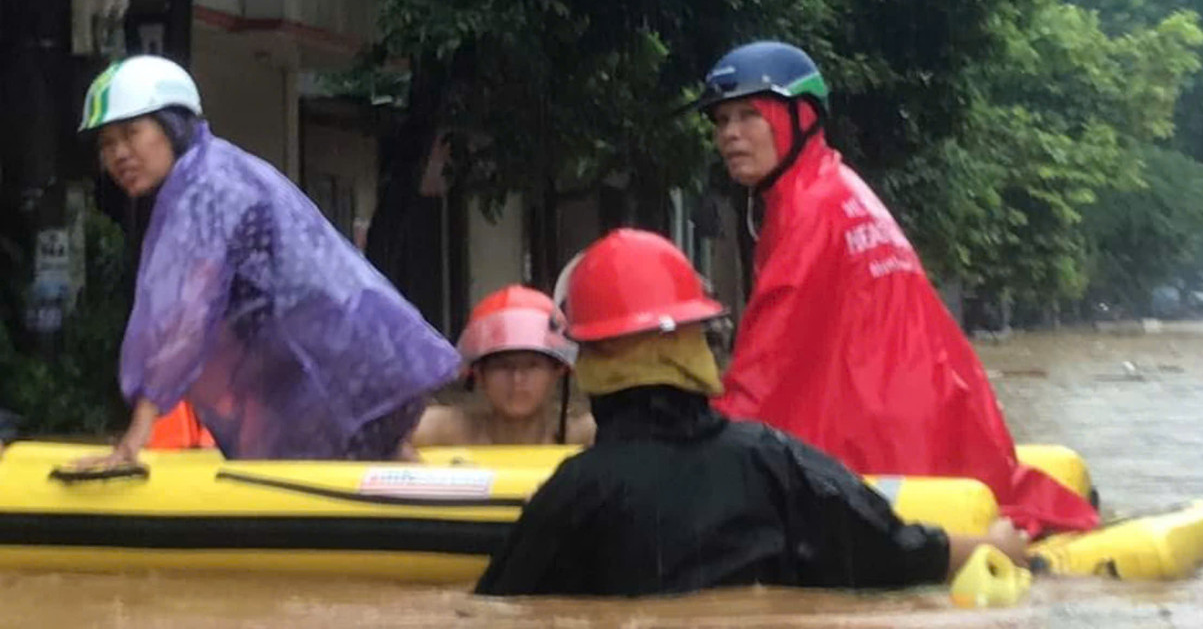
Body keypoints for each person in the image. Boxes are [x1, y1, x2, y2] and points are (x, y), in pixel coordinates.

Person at [474, 229, 1029, 597]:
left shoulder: (574, 492)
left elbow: (494, 604)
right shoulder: (774, 460)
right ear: (695, 346)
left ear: (591, 360)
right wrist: (998, 545)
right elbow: (895, 551)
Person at [693, 41, 1099, 536]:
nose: (730, 134)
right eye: (721, 120)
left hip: (887, 437)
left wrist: (688, 436)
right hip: (942, 420)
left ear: (801, 116)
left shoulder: (809, 212)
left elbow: (764, 372)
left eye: (749, 115)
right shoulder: (840, 187)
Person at [70, 55, 458, 467]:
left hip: (335, 373)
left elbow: (180, 316)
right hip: (356, 362)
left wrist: (134, 439)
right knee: (385, 473)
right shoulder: (218, 168)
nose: (120, 154)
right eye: (107, 143)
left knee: (346, 498)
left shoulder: (203, 190)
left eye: (132, 133)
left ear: (173, 127)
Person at [411, 285, 595, 446]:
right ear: (479, 374)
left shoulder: (583, 437)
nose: (517, 379)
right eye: (502, 366)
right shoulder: (445, 431)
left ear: (558, 371)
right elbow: (388, 432)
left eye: (532, 366)